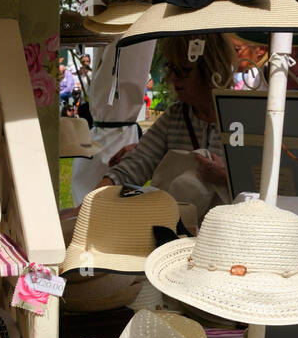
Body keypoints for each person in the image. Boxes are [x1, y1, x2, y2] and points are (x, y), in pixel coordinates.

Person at [98, 34, 235, 225]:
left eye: (183, 71)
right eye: (170, 68)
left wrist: (228, 177)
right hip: (179, 232)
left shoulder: (241, 118)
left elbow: (270, 184)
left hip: (230, 236)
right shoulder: (176, 117)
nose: (172, 78)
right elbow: (135, 165)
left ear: (212, 68)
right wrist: (93, 203)